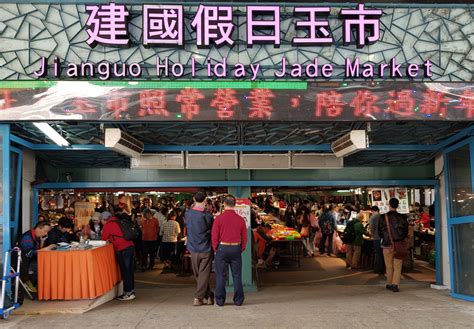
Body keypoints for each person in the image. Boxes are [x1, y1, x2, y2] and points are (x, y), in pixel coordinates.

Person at [212, 195, 247, 307]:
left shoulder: (218, 219)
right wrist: (241, 248)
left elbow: (214, 236)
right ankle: (238, 300)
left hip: (222, 248)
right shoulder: (240, 219)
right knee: (237, 275)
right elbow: (245, 238)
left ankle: (220, 300)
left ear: (224, 204)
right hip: (236, 248)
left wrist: (215, 248)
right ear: (235, 204)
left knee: (221, 276)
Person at [185, 192, 215, 306]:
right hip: (206, 247)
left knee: (199, 274)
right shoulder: (207, 215)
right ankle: (200, 297)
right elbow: (210, 229)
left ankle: (205, 296)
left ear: (193, 198)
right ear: (205, 200)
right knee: (203, 274)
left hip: (193, 247)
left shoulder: (188, 214)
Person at [101, 211, 136, 301]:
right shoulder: (118, 221)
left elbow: (103, 239)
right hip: (130, 246)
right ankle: (131, 290)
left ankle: (128, 293)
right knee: (129, 270)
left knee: (125, 271)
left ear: (103, 219)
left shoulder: (108, 225)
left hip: (123, 249)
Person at [378, 198, 409, 293]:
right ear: (398, 205)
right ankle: (395, 285)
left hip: (387, 245)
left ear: (389, 205)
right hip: (399, 244)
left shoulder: (383, 217)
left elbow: (379, 232)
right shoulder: (403, 217)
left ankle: (389, 283)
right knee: (397, 266)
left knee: (388, 266)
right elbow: (405, 232)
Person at [18, 221, 56, 292]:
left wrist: (42, 241)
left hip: (30, 260)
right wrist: (45, 249)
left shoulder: (36, 236)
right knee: (46, 267)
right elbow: (29, 253)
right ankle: (30, 283)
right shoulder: (27, 237)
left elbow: (37, 251)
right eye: (45, 231)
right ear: (38, 228)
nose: (45, 233)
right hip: (24, 263)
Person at [369, 206, 384, 274]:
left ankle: (378, 269)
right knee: (382, 253)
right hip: (383, 238)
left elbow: (372, 227)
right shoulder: (382, 216)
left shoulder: (373, 217)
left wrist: (372, 235)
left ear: (373, 211)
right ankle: (383, 268)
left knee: (378, 253)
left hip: (376, 237)